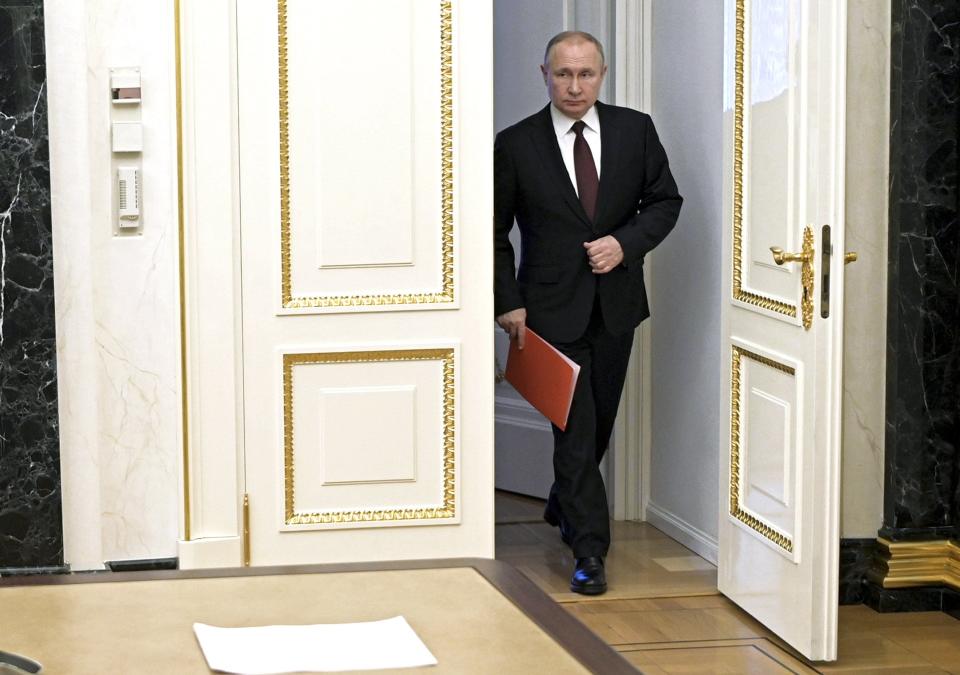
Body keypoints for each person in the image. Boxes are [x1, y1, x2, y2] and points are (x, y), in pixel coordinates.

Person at [494, 31, 682, 595]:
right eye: (562, 74)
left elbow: (666, 201)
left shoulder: (635, 130)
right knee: (573, 431)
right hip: (548, 312)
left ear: (602, 74)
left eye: (585, 74)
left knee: (597, 423)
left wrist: (626, 243)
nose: (574, 86)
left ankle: (562, 503)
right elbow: (493, 233)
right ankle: (590, 552)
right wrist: (508, 301)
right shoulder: (516, 143)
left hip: (617, 306)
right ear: (544, 74)